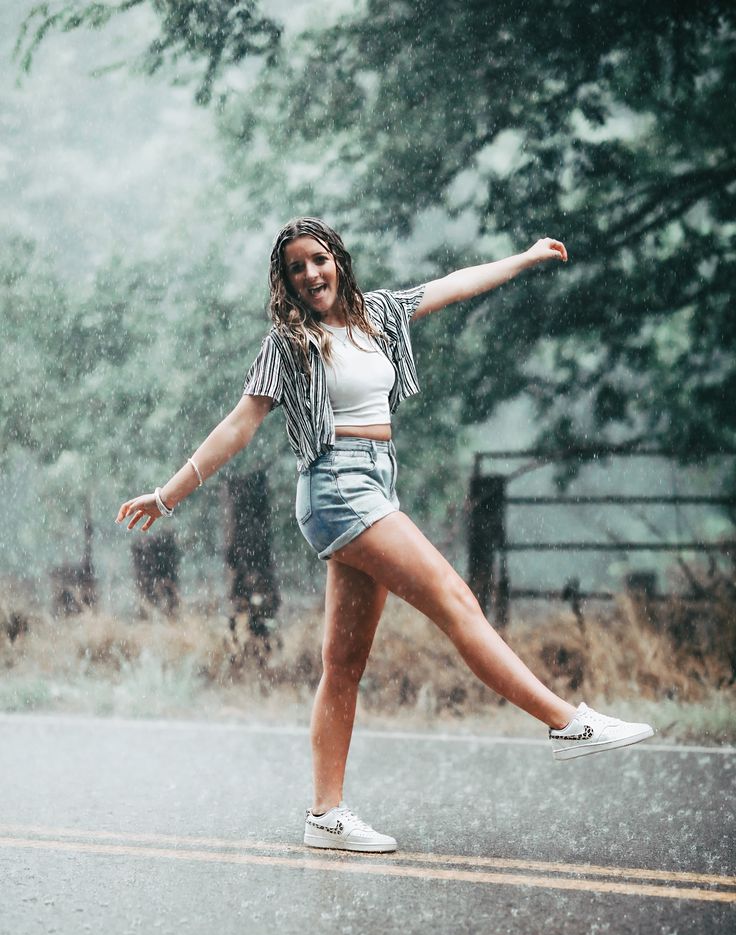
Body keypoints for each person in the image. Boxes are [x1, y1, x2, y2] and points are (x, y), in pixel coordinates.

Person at [116, 216, 653, 854]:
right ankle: (568, 722)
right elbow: (241, 423)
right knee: (457, 600)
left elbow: (456, 284)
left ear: (337, 261)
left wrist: (527, 256)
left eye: (318, 260)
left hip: (376, 483)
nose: (311, 274)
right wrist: (168, 495)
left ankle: (325, 816)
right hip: (337, 489)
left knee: (342, 666)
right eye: (296, 268)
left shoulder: (379, 315)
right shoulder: (290, 341)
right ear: (285, 282)